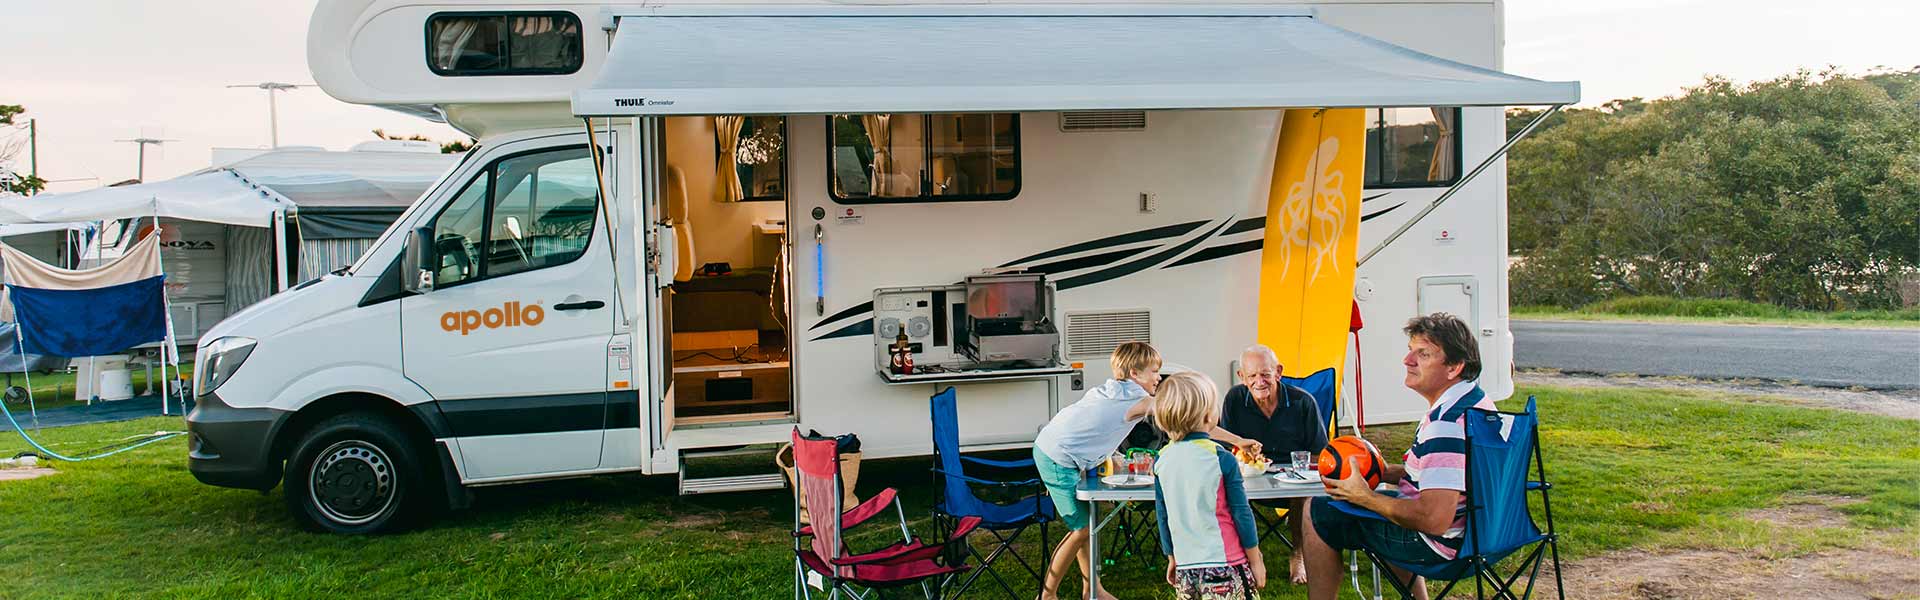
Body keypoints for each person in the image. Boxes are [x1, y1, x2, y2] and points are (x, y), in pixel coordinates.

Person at [1032, 342, 1260, 600]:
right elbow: (1192, 419)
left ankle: (1091, 590)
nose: (1158, 377)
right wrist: (1238, 440)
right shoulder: (1134, 399)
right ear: (1134, 375)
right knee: (1081, 529)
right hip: (1057, 458)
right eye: (1153, 371)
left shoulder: (1113, 390)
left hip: (1059, 449)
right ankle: (1047, 595)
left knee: (1086, 525)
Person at [1299, 313, 1496, 600]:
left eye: (1423, 354)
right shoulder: (1478, 403)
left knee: (1317, 510)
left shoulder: (1446, 424)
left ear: (1454, 367)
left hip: (1442, 545)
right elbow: (1454, 475)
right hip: (1486, 536)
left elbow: (1433, 518)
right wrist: (1385, 470)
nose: (1408, 361)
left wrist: (1366, 497)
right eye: (1410, 351)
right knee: (1391, 502)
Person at [1217, 344, 1326, 584]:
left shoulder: (1302, 402)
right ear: (1241, 376)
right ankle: (1247, 555)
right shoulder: (1234, 400)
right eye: (1252, 375)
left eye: (1265, 374)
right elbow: (1225, 449)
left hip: (1293, 476)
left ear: (1278, 372)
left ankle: (1298, 555)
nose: (1259, 381)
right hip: (1249, 474)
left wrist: (1302, 473)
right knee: (1224, 489)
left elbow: (1319, 453)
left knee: (1303, 493)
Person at [1152, 371, 1266, 600]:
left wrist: (1172, 557)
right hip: (1226, 564)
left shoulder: (1161, 460)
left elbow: (1162, 515)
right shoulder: (1221, 458)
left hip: (1186, 567)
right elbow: (1241, 512)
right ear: (1207, 416)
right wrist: (1256, 558)